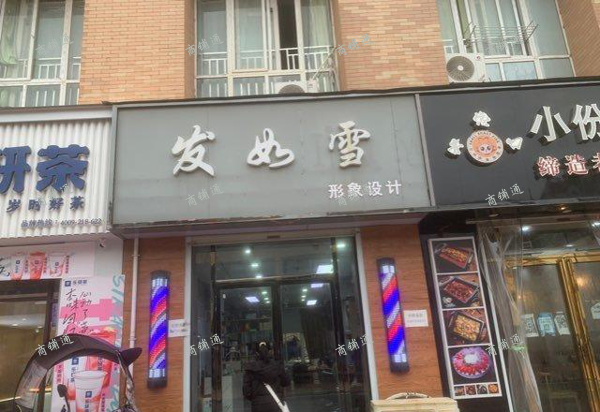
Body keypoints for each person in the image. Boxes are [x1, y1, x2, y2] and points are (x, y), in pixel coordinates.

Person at [243, 341, 290, 412]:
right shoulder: (277, 366)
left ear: (256, 353)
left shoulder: (250, 369)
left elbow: (247, 392)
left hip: (258, 406)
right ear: (269, 351)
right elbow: (286, 382)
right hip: (276, 404)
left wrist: (255, 399)